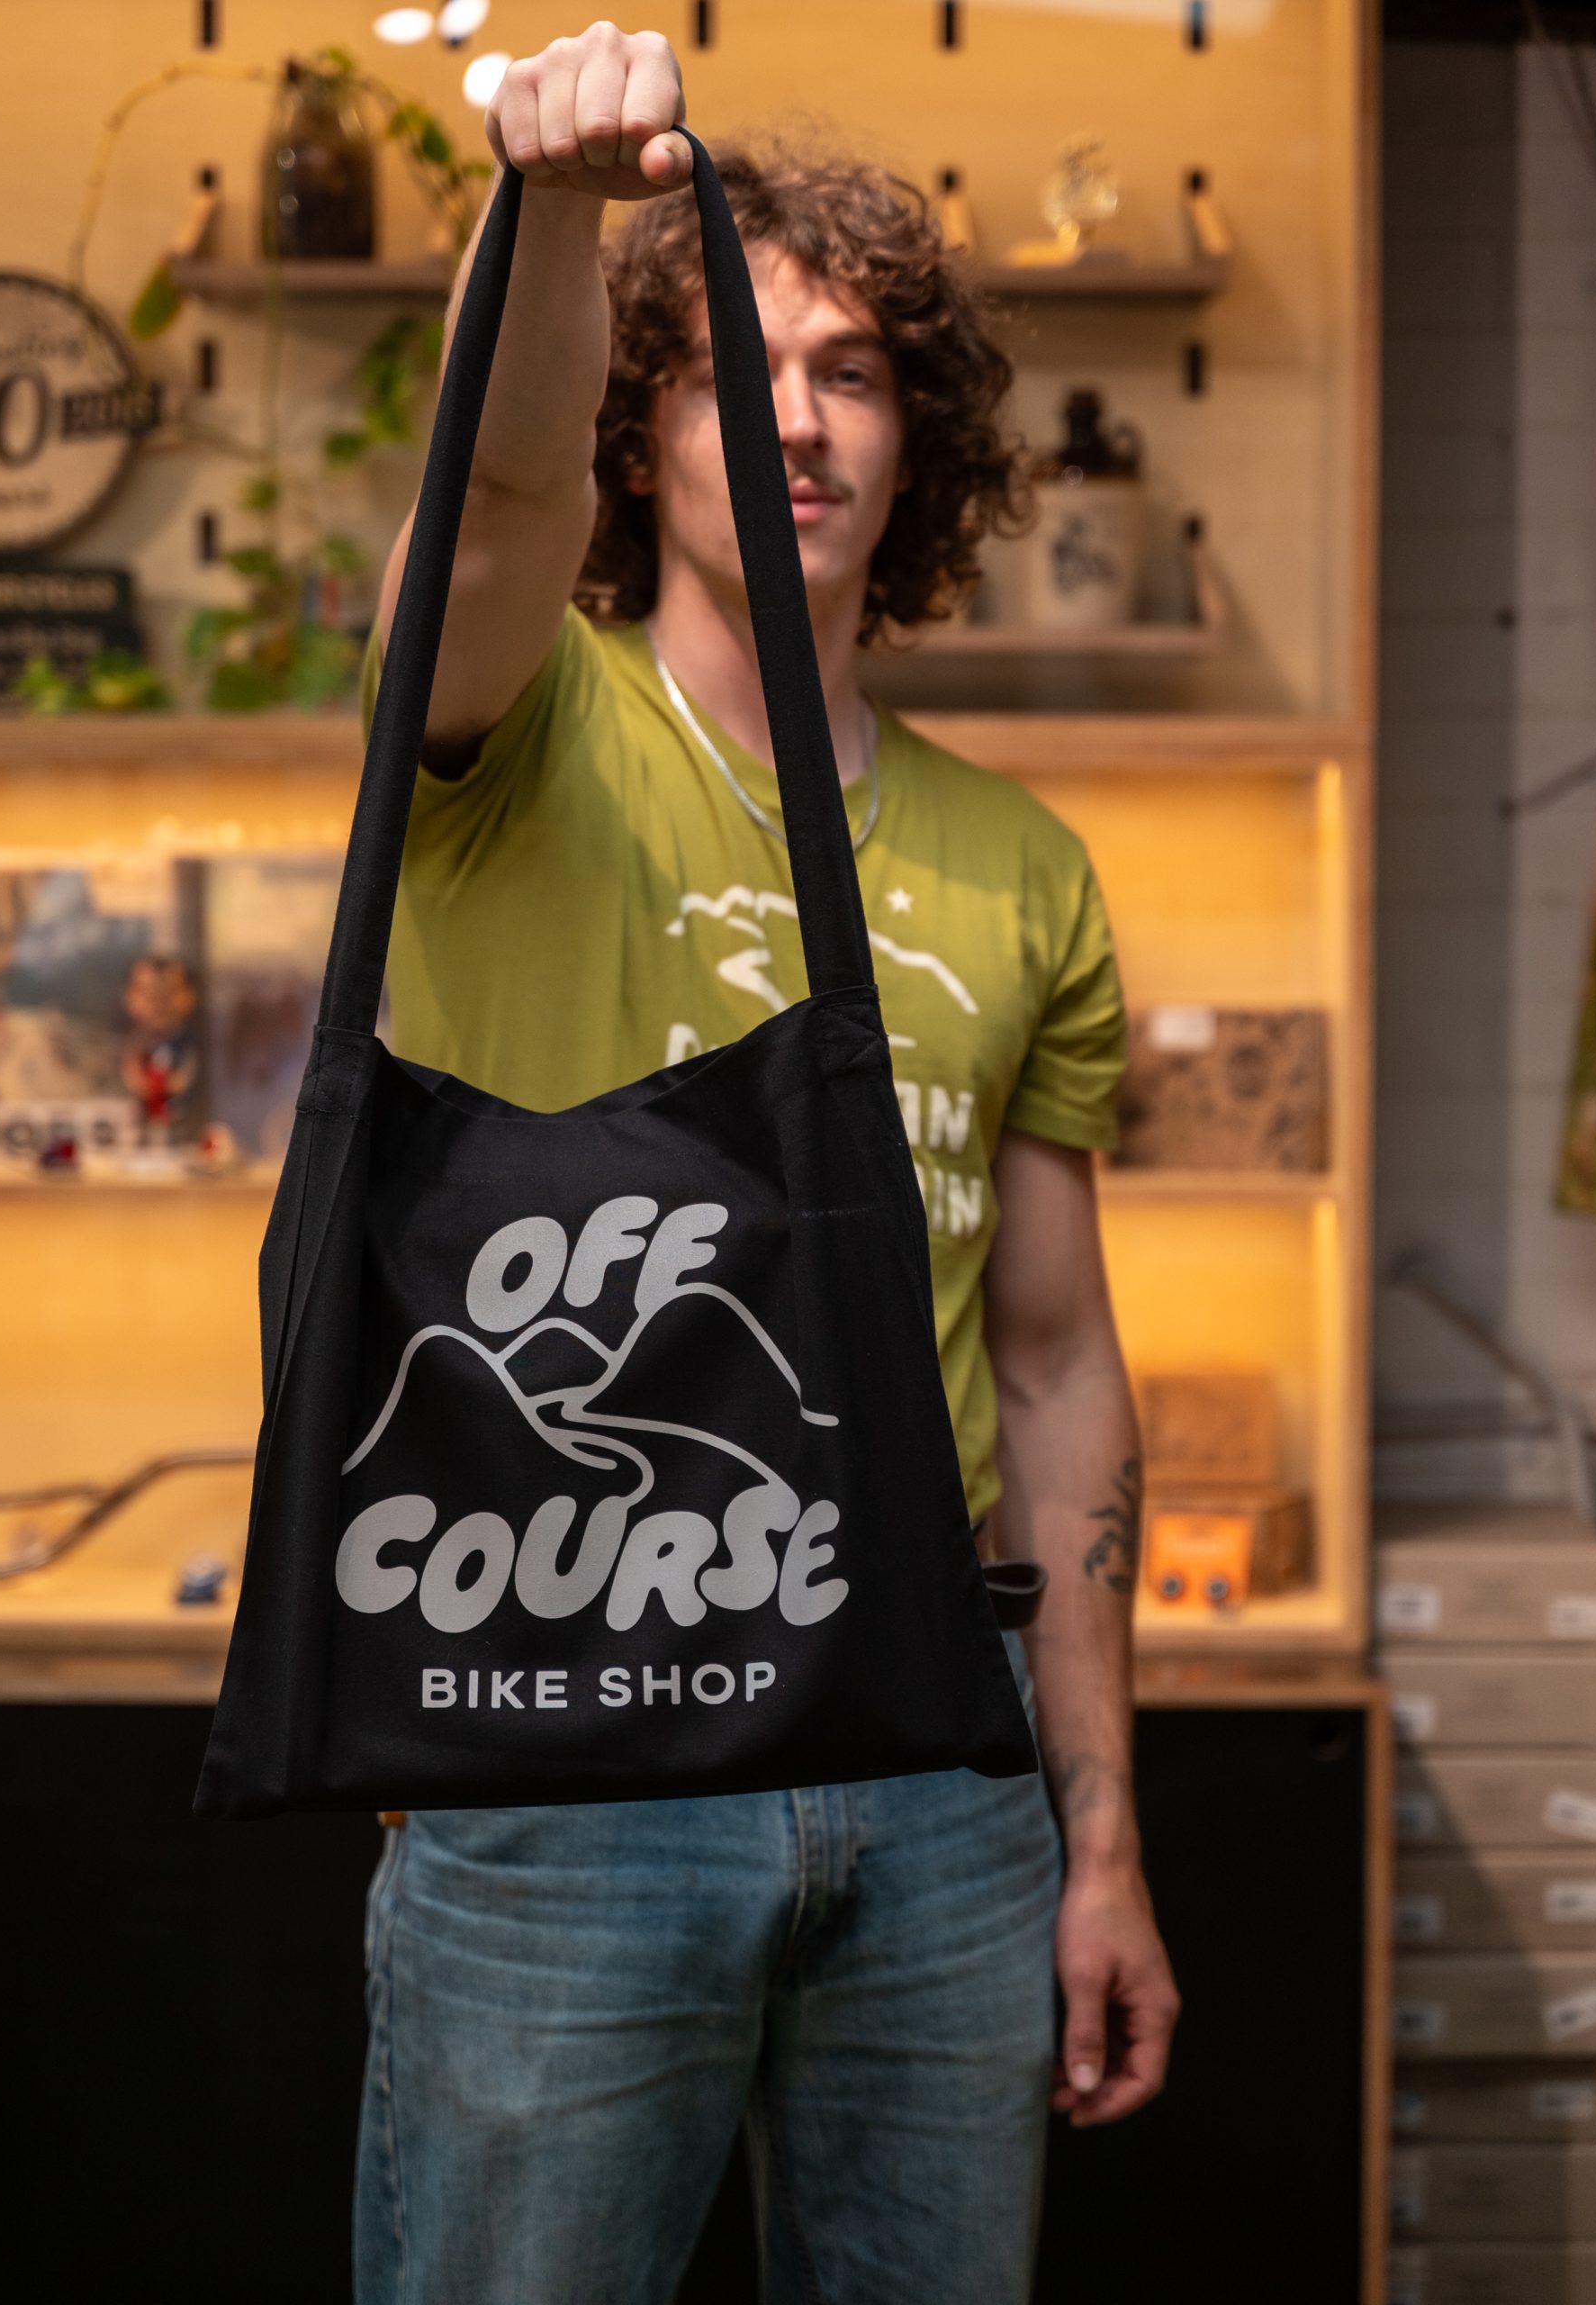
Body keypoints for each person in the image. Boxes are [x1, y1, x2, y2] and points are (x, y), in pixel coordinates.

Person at [354, 25, 1177, 2303]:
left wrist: (1097, 1830)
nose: (799, 419)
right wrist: (549, 214)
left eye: (854, 372)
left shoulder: (1024, 868)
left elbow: (1055, 1368)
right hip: (567, 1753)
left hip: (942, 1785)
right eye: (731, 369)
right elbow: (490, 508)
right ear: (641, 432)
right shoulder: (523, 729)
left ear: (924, 441)